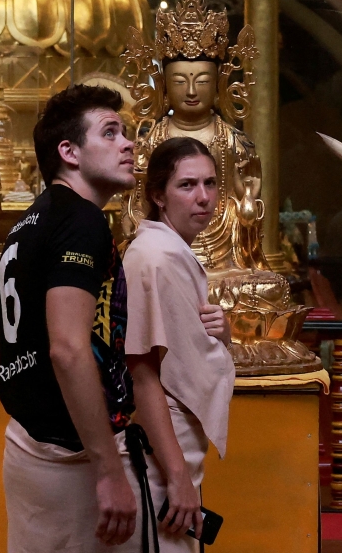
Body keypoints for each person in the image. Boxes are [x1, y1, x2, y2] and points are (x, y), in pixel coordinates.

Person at [0, 84, 138, 552]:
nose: (128, 144)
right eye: (111, 133)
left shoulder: (30, 220)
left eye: (126, 133)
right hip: (68, 454)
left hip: (27, 439)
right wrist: (109, 471)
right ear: (69, 152)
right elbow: (69, 348)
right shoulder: (81, 221)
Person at [122, 137, 235, 552]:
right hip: (160, 447)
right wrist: (177, 476)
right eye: (187, 185)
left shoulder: (171, 250)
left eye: (210, 183)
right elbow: (142, 373)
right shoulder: (156, 256)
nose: (203, 197)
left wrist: (222, 333)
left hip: (175, 446)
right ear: (158, 195)